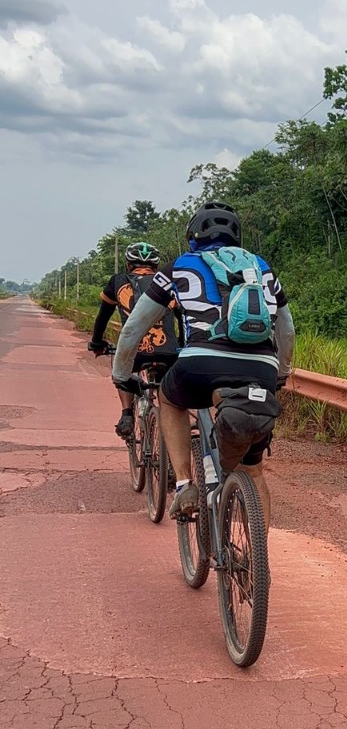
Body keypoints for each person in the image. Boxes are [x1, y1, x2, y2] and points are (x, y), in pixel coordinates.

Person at [111, 203, 295, 523]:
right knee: (253, 472)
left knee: (169, 398)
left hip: (200, 364)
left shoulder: (178, 266)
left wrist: (120, 374)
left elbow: (133, 329)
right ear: (236, 236)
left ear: (193, 235)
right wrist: (279, 374)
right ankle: (256, 568)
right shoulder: (262, 268)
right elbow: (287, 331)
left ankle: (183, 484)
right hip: (261, 368)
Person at [88, 241, 180, 438]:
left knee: (123, 374)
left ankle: (126, 413)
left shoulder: (117, 281)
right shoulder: (168, 282)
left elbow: (102, 317)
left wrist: (97, 343)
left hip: (134, 351)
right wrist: (182, 344)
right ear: (155, 266)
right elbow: (182, 316)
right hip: (169, 351)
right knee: (170, 391)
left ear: (128, 265)